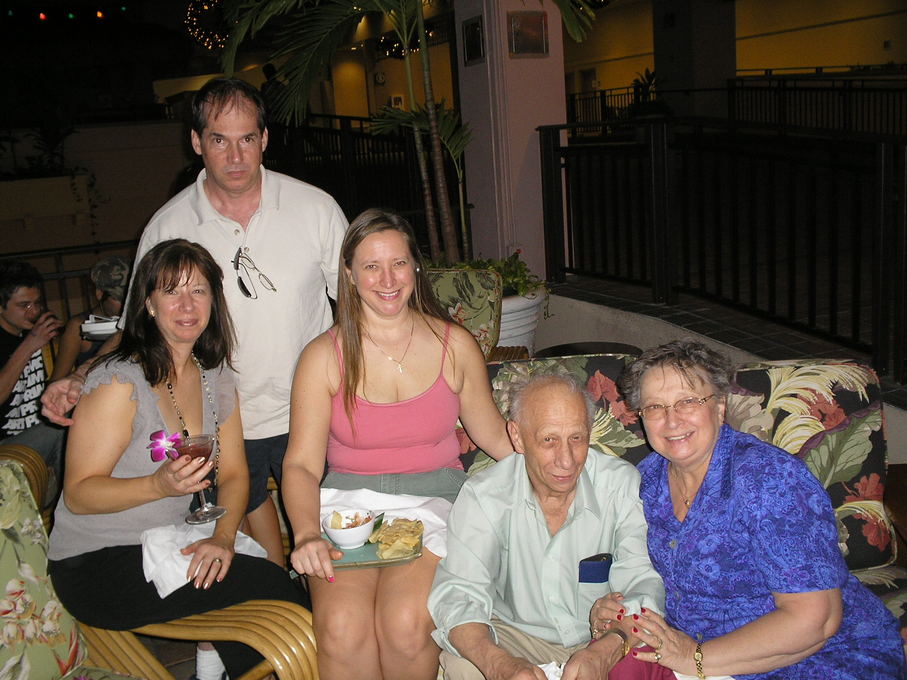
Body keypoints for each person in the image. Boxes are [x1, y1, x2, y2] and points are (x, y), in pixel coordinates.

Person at [41, 76, 348, 565]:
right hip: (220, 422)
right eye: (219, 140)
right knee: (245, 552)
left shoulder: (316, 209)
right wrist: (80, 376)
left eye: (247, 139)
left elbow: (357, 307)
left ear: (265, 139)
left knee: (333, 540)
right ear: (197, 142)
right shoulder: (168, 226)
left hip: (315, 414)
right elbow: (135, 328)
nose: (235, 156)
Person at [47, 239, 307, 680]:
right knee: (270, 588)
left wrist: (223, 538)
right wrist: (158, 485)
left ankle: (213, 672)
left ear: (214, 301)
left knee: (252, 578)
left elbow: (235, 474)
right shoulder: (118, 382)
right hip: (98, 564)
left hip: (170, 543)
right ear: (148, 303)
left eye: (198, 290)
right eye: (171, 291)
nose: (187, 305)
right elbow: (78, 495)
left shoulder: (214, 376)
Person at [283, 208, 514, 680]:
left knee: (406, 624)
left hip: (437, 500)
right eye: (371, 266)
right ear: (349, 275)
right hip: (348, 508)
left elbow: (494, 436)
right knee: (342, 628)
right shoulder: (322, 356)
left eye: (399, 263)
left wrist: (560, 474)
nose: (387, 279)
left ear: (415, 268)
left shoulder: (455, 345)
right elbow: (302, 465)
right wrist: (305, 534)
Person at [603, 339, 906, 680]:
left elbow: (815, 620)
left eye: (688, 401)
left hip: (823, 660)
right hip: (702, 662)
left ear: (719, 407)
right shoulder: (647, 480)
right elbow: (633, 568)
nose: (672, 420)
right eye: (655, 407)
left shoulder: (769, 479)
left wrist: (696, 658)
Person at [429, 372, 667, 680]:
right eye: (548, 440)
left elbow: (643, 581)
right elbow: (460, 594)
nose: (566, 460)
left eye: (576, 438)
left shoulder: (620, 485)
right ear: (517, 436)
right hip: (517, 637)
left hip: (602, 635)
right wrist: (499, 665)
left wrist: (608, 647)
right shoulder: (484, 496)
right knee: (464, 665)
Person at [0, 261, 65, 476]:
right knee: (62, 429)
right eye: (24, 305)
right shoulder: (28, 338)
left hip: (34, 434)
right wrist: (30, 345)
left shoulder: (34, 332)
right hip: (6, 445)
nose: (34, 311)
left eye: (37, 303)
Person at [50, 255, 130, 381]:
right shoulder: (78, 326)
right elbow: (57, 379)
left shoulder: (142, 317)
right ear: (100, 293)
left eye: (131, 297)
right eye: (120, 299)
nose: (127, 304)